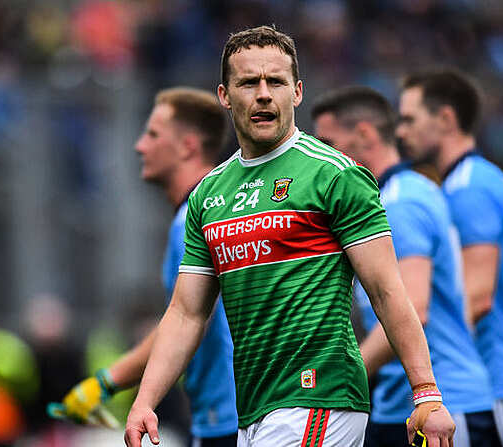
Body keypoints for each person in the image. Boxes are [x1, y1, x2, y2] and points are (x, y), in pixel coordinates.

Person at [124, 25, 455, 447]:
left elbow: (388, 291)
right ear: (225, 96)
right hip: (255, 410)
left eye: (275, 82)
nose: (263, 93)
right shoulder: (209, 194)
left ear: (296, 92)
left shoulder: (334, 174)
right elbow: (187, 313)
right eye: (248, 82)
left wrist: (426, 393)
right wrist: (145, 401)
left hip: (320, 396)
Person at [51, 87, 239, 446]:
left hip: (229, 418)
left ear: (187, 146)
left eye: (153, 134)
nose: (140, 146)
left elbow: (186, 319)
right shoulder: (210, 211)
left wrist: (107, 381)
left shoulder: (195, 219)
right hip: (222, 414)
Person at [312, 86, 499, 447]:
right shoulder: (408, 190)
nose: (320, 157)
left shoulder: (397, 202)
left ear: (364, 135)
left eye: (327, 143)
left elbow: (414, 305)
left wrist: (342, 377)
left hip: (440, 405)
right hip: (400, 403)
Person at [395, 70, 503, 447]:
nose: (400, 132)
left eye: (410, 119)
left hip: (499, 384)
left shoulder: (468, 188)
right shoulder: (475, 180)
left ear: (446, 119)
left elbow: (476, 298)